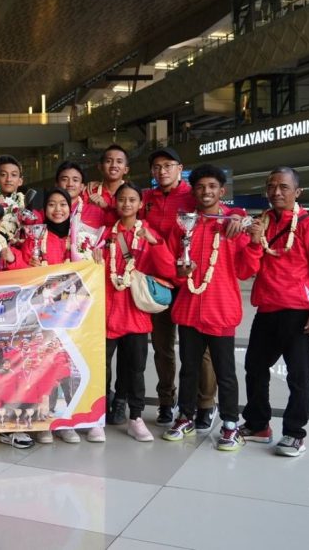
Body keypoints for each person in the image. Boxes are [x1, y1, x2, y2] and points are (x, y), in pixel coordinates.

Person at [161, 165, 264, 451]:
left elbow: (245, 270)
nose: (206, 191)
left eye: (211, 186)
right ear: (193, 192)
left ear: (222, 191)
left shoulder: (233, 225)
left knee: (225, 372)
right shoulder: (185, 225)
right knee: (189, 369)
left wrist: (254, 242)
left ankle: (231, 424)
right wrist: (179, 270)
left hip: (221, 310)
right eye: (200, 187)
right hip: (190, 308)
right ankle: (185, 416)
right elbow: (172, 263)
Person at [241, 168, 309, 456]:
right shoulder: (263, 222)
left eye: (284, 187)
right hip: (268, 309)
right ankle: (259, 425)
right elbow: (247, 269)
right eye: (271, 186)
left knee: (299, 376)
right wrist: (252, 241)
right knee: (254, 369)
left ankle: (294, 433)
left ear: (297, 192)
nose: (276, 192)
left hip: (297, 312)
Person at [21, 189, 106, 444]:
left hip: (76, 315)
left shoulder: (81, 237)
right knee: (46, 366)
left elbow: (90, 271)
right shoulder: (34, 236)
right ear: (43, 209)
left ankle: (73, 419)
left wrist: (97, 262)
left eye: (63, 205)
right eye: (52, 204)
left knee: (74, 365)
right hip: (43, 315)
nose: (58, 210)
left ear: (71, 208)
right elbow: (23, 269)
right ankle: (44, 421)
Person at [141, 147, 217, 429]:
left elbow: (219, 209)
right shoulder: (145, 199)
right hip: (158, 283)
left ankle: (205, 403)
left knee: (199, 349)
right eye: (157, 166)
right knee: (162, 348)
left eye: (168, 165)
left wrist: (236, 217)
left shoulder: (192, 196)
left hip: (189, 283)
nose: (162, 171)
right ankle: (165, 402)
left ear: (179, 167)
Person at [102, 183, 173, 442]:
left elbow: (167, 270)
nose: (127, 204)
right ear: (115, 203)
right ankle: (98, 416)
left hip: (136, 316)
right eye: (122, 199)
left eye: (132, 199)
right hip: (107, 314)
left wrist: (156, 244)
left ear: (140, 204)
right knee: (102, 369)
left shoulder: (148, 234)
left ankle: (136, 417)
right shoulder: (104, 235)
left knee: (136, 369)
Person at [0, 155, 41, 244]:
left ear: (20, 181)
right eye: (3, 175)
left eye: (13, 175)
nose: (8, 179)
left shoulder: (28, 204)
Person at [83, 144, 129, 229]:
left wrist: (106, 207)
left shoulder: (132, 195)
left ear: (126, 170)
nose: (114, 165)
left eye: (119, 161)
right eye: (108, 161)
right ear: (100, 167)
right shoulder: (87, 192)